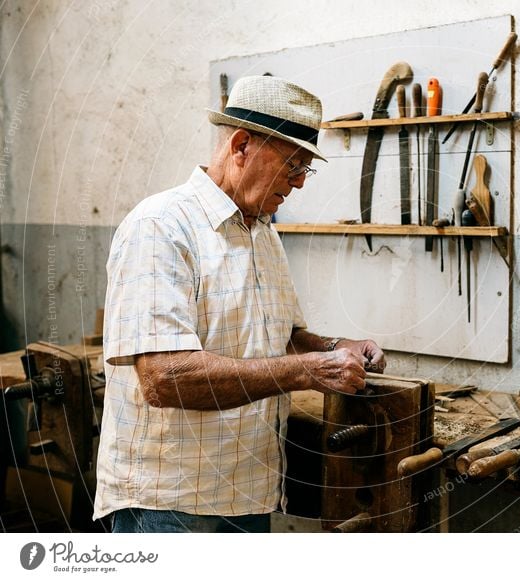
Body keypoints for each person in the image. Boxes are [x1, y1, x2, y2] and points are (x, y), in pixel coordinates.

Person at [93, 75, 386, 533]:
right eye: (292, 165)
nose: (298, 184)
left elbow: (281, 339)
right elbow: (166, 379)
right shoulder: (161, 227)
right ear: (242, 146)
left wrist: (333, 346)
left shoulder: (262, 233)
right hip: (171, 501)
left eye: (305, 170)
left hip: (248, 489)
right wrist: (310, 370)